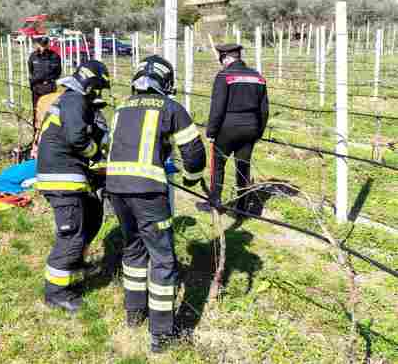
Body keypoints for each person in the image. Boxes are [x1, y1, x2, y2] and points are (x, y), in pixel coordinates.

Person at [106, 56, 206, 353]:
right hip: (148, 192)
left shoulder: (122, 107)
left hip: (116, 188)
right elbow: (194, 152)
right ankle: (161, 332)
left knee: (133, 249)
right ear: (167, 82)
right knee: (162, 258)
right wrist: (191, 179)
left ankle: (134, 314)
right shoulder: (172, 108)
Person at [35, 60, 110, 313]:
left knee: (91, 217)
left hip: (67, 174)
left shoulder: (70, 100)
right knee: (71, 235)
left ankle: (75, 267)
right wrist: (95, 152)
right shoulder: (74, 100)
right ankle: (56, 292)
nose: (98, 95)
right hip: (61, 178)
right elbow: (78, 138)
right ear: (90, 84)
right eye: (98, 89)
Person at [207, 43, 269, 214]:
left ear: (226, 58)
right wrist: (259, 132)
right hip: (250, 127)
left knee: (218, 164)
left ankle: (215, 201)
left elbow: (217, 107)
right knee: (243, 167)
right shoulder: (258, 77)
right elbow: (264, 109)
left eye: (222, 59)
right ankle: (242, 206)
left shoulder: (224, 76)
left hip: (227, 127)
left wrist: (211, 132)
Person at [28, 36, 62, 132]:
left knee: (49, 113)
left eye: (45, 45)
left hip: (49, 88)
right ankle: (36, 136)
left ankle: (48, 136)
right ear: (38, 45)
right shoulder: (33, 56)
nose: (43, 47)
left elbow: (58, 73)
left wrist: (49, 81)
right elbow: (31, 71)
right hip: (37, 89)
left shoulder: (55, 57)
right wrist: (34, 85)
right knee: (36, 112)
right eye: (41, 45)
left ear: (48, 45)